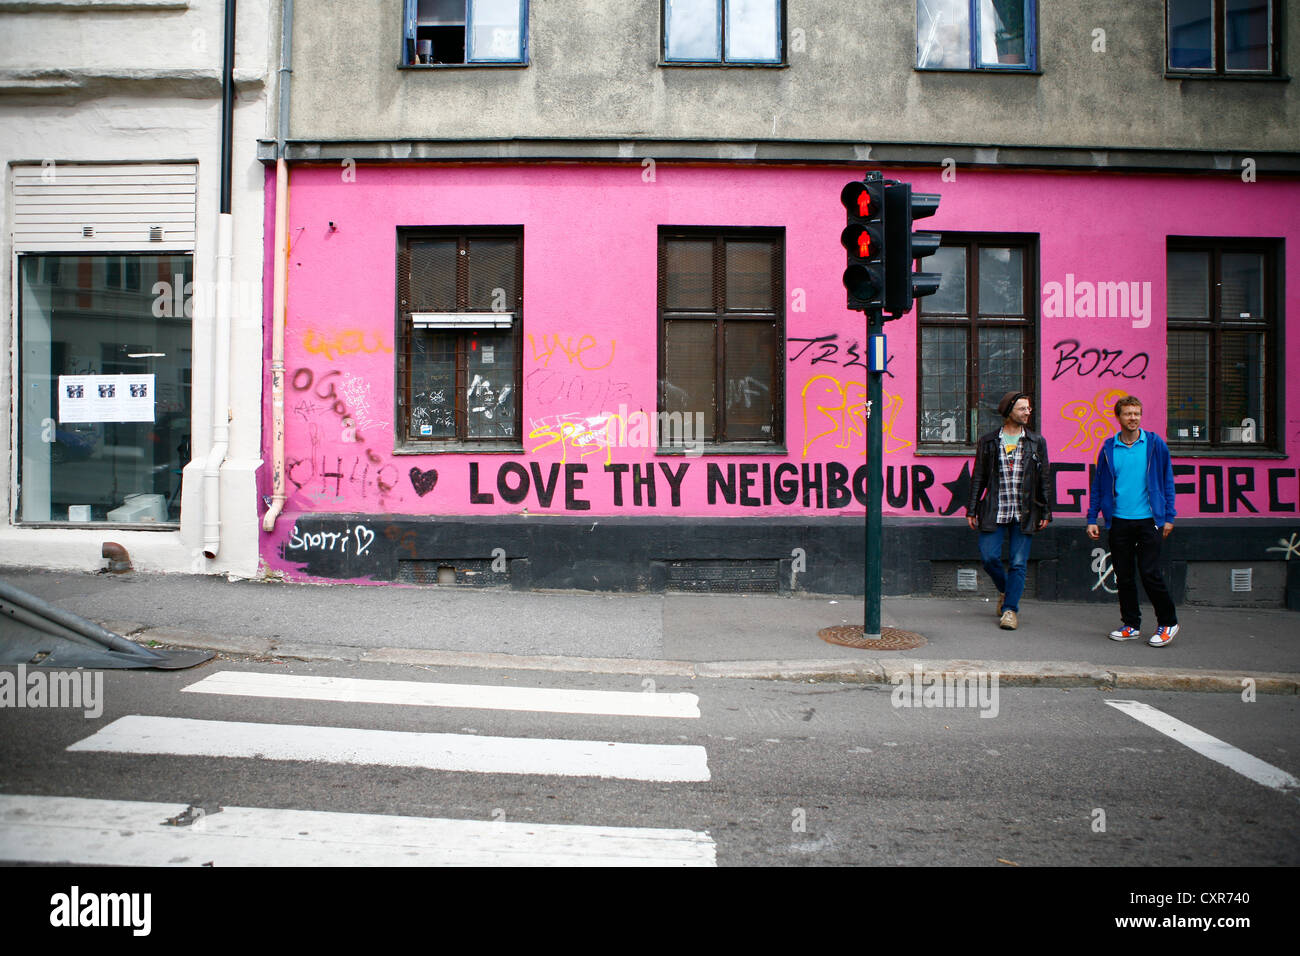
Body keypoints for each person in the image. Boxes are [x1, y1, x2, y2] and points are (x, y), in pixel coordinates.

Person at [1086, 395, 1179, 647]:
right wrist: (1092, 517)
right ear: (1118, 417)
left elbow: (1167, 480)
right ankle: (1131, 624)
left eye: (1137, 413)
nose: (1133, 418)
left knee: (1150, 573)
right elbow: (1099, 486)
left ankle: (1168, 622)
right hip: (1118, 521)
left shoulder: (1154, 444)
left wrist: (1170, 516)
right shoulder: (1108, 448)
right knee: (1124, 576)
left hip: (1150, 521)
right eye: (1128, 413)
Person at [966, 391, 1053, 630]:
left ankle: (1010, 610)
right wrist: (972, 509)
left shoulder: (1036, 441)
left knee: (1018, 562)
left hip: (1024, 511)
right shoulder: (989, 441)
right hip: (996, 508)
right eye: (1023, 408)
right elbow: (979, 477)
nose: (1028, 412)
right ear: (1009, 411)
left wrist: (1046, 511)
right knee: (989, 557)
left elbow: (1044, 479)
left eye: (1029, 408)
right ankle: (1006, 590)